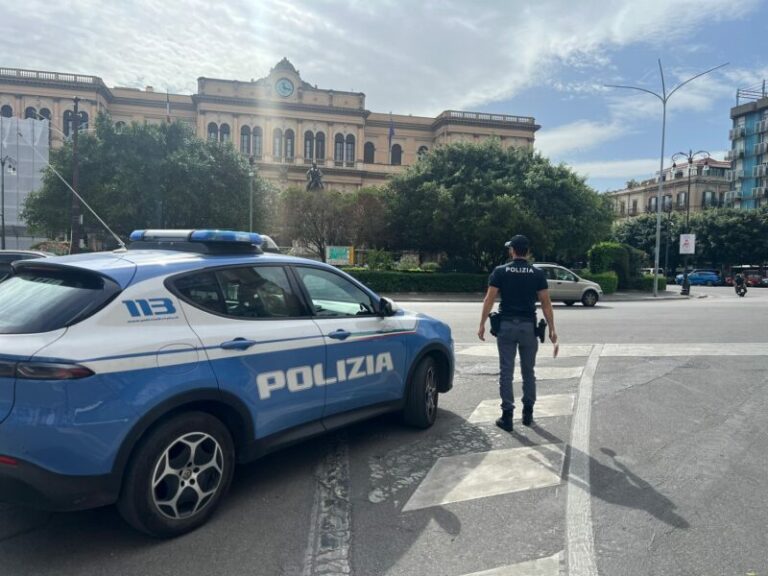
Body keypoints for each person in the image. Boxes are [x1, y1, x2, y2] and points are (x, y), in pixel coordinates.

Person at [477, 235, 557, 431]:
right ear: (527, 251)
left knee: (506, 372)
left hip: (506, 326)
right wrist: (553, 328)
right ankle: (528, 413)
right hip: (528, 328)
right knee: (529, 371)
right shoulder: (536, 273)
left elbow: (489, 299)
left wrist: (481, 324)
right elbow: (546, 303)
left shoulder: (500, 271)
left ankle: (507, 416)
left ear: (512, 250)